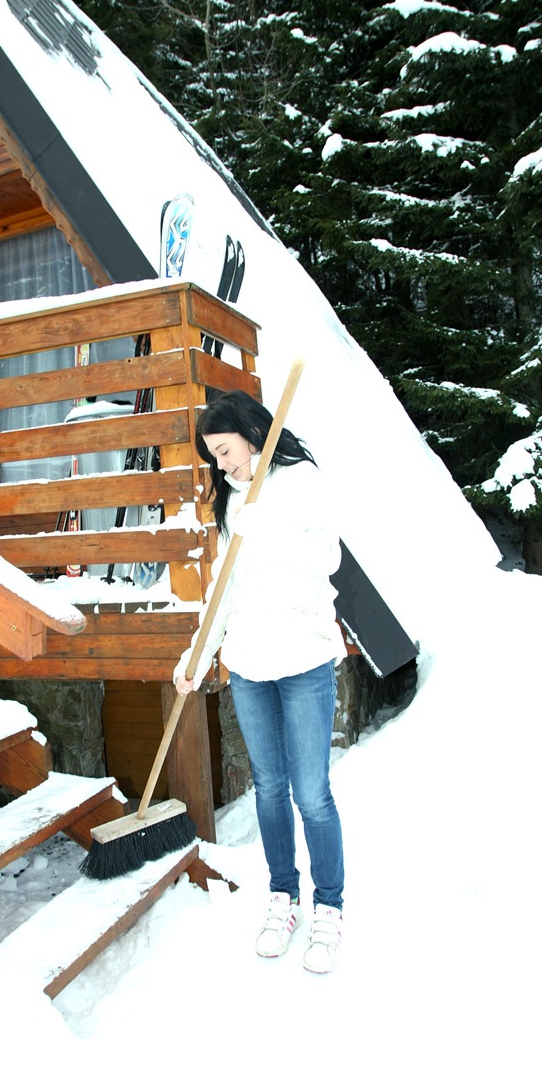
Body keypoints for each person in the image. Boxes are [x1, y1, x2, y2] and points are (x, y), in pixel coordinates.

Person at [173, 388, 346, 974]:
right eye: (213, 457)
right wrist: (199, 654)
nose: (221, 465)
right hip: (249, 663)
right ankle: (283, 896)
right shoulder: (231, 499)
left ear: (252, 435)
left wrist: (265, 525)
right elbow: (226, 587)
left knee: (311, 793)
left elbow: (327, 560)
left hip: (303, 659)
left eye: (224, 451)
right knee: (269, 789)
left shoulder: (300, 481)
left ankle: (329, 907)